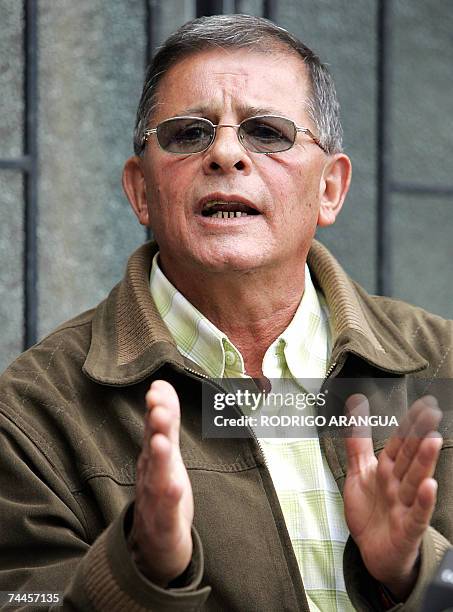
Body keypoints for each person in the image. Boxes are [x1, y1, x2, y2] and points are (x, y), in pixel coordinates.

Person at [0, 13, 452, 612]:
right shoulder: (36, 410)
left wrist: (416, 570)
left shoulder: (439, 362)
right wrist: (138, 572)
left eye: (267, 132)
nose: (226, 152)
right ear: (140, 190)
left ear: (330, 190)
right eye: (188, 133)